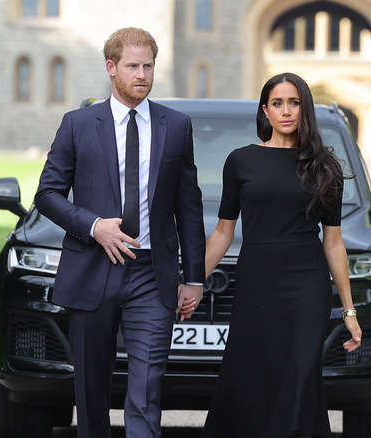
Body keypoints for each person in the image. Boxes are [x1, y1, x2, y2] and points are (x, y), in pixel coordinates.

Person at [34, 27, 205, 437]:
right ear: (112, 68)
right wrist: (94, 227)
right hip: (93, 267)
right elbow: (48, 195)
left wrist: (194, 278)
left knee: (146, 387)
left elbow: (189, 205)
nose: (142, 74)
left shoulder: (176, 126)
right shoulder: (77, 124)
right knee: (91, 388)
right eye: (133, 66)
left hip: (152, 273)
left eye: (148, 65)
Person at [200, 73, 363, 437]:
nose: (286, 111)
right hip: (257, 281)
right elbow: (224, 231)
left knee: (301, 372)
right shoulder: (240, 161)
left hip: (306, 286)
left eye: (294, 103)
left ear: (304, 110)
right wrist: (194, 281)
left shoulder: (326, 167)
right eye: (278, 103)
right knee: (250, 373)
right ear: (265, 111)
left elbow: (333, 241)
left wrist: (349, 310)